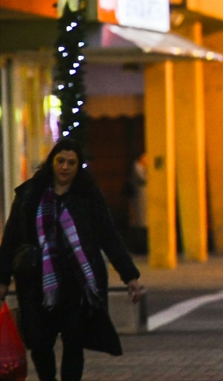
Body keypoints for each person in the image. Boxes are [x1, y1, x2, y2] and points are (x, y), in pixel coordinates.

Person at [0, 138, 144, 381]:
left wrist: (130, 276)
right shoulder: (29, 195)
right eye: (60, 161)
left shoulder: (88, 197)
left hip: (76, 286)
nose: (65, 167)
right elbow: (11, 238)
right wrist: (2, 279)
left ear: (78, 167)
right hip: (37, 285)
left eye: (71, 162)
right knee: (40, 344)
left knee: (74, 344)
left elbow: (109, 237)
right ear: (52, 162)